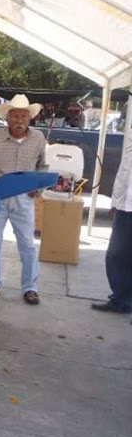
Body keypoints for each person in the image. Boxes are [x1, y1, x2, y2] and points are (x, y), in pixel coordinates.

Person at [0, 94, 47, 305]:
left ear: (29, 118)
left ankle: (30, 288)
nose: (19, 120)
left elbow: (43, 165)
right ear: (8, 118)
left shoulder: (38, 138)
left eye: (23, 116)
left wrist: (38, 187)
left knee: (27, 244)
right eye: (15, 116)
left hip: (24, 198)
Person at [91, 129, 132, 316]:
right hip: (126, 206)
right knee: (116, 255)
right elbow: (125, 169)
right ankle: (120, 300)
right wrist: (117, 200)